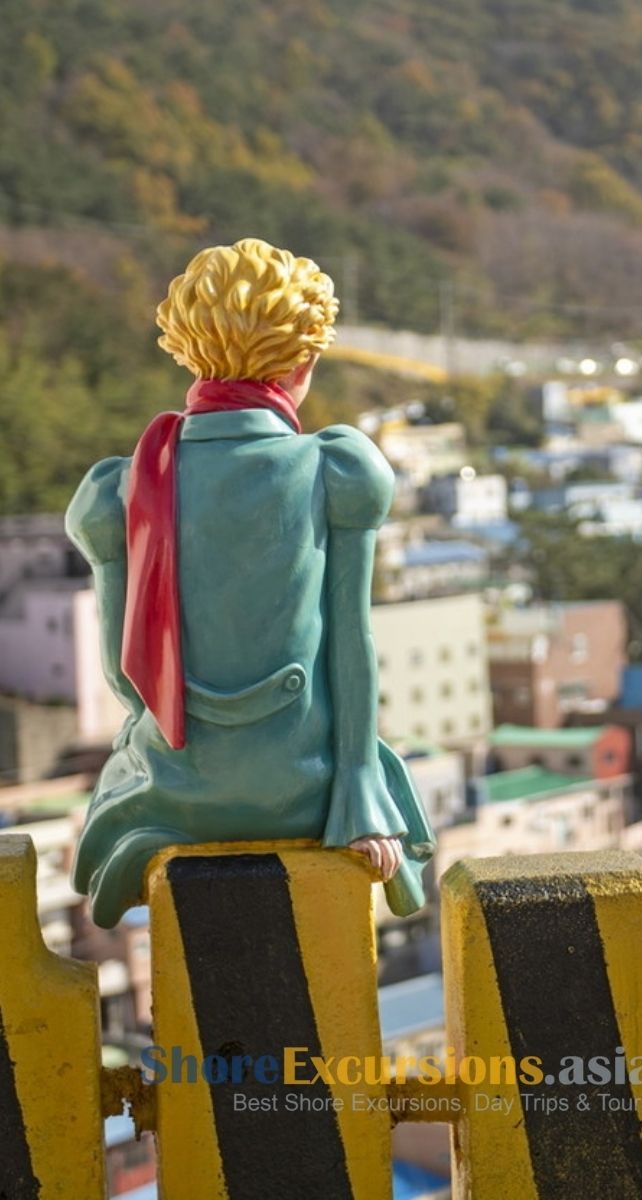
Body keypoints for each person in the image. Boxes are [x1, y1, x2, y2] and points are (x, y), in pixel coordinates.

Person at [66, 238, 434, 928]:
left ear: (188, 352)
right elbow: (350, 647)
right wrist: (358, 794)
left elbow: (125, 678)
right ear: (304, 362)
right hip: (307, 793)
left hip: (172, 795)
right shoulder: (335, 467)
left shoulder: (120, 489)